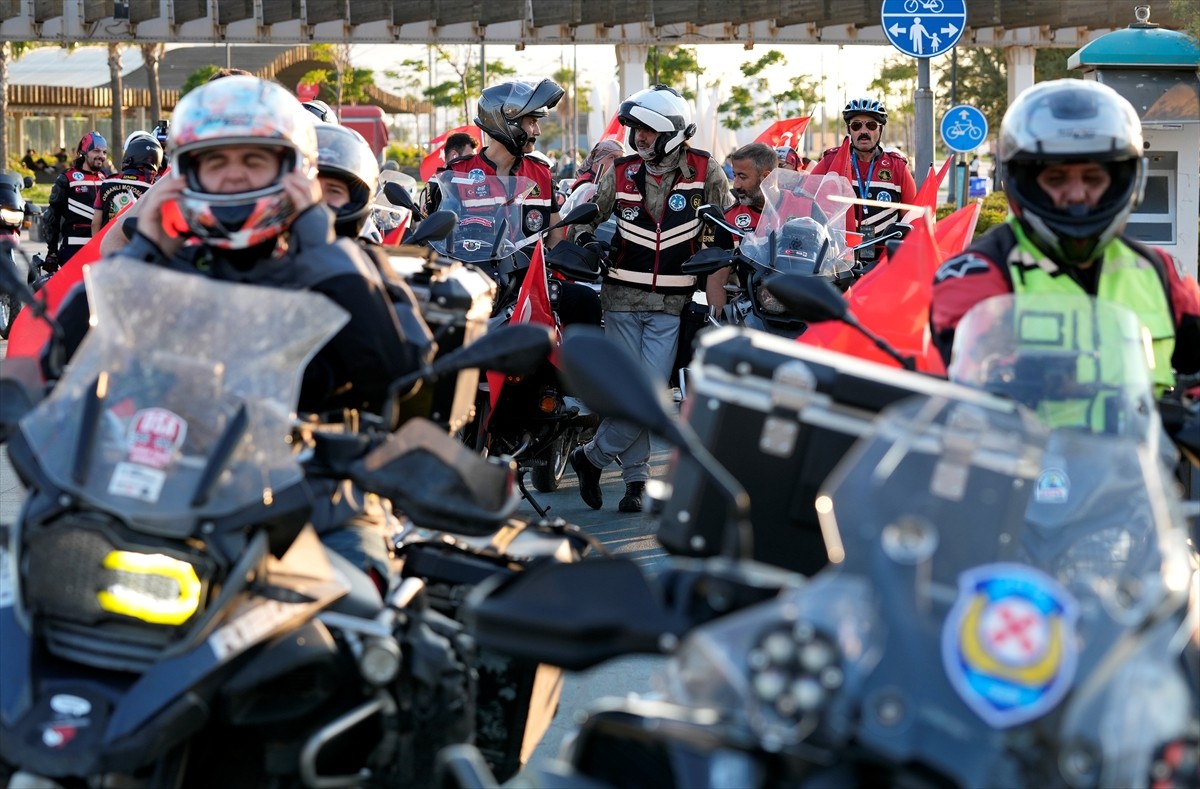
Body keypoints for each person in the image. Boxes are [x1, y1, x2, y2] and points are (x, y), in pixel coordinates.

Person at [52, 76, 425, 590]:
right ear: (187, 173)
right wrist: (142, 250)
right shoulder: (174, 265)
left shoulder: (345, 265)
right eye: (215, 161)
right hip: (165, 484)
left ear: (293, 170)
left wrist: (318, 241)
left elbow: (394, 368)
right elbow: (67, 353)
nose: (233, 175)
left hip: (314, 495)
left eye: (253, 160)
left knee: (358, 603)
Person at [930, 79, 1200, 392]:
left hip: (1142, 427)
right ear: (1023, 182)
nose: (1076, 195)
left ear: (1123, 181)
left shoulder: (1161, 273)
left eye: (1093, 178)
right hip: (1021, 427)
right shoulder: (976, 275)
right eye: (1056, 179)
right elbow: (964, 382)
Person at [569, 84, 732, 513]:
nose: (639, 137)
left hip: (672, 302)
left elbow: (727, 224)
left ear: (673, 132)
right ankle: (635, 481)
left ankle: (590, 458)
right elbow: (587, 218)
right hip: (619, 297)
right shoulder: (620, 170)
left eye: (648, 130)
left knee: (649, 393)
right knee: (629, 392)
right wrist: (587, 241)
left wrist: (719, 258)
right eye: (635, 129)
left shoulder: (706, 170)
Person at [810, 97, 916, 262]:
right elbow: (805, 200)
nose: (863, 131)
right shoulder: (832, 161)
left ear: (880, 130)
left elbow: (911, 218)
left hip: (883, 259)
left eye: (871, 125)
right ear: (849, 129)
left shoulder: (897, 167)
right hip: (835, 258)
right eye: (856, 125)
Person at [705, 142, 777, 313]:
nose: (735, 185)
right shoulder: (729, 219)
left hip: (801, 311)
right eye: (735, 176)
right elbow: (717, 279)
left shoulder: (805, 206)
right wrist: (719, 321)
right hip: (753, 314)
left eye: (742, 177)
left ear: (766, 177)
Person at [41, 131, 111, 272]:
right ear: (84, 152)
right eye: (96, 151)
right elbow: (52, 217)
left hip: (101, 249)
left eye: (104, 152)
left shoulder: (107, 179)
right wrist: (52, 252)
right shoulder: (67, 178)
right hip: (73, 249)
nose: (101, 156)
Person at [91, 131, 163, 235]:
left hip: (106, 243)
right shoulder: (154, 189)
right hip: (136, 244)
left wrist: (97, 244)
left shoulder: (107, 182)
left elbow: (95, 223)